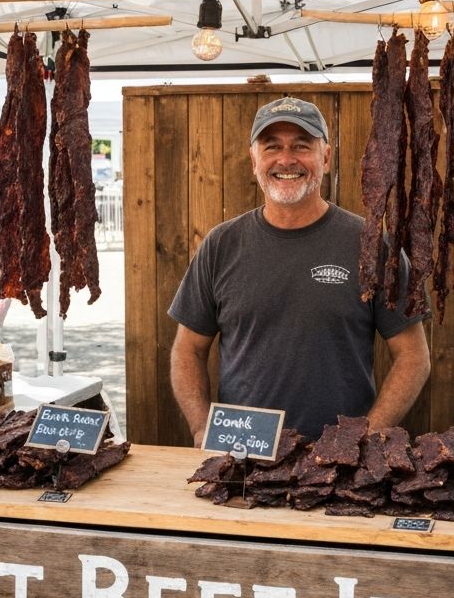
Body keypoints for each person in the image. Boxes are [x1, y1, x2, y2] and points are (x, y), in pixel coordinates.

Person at [169, 96, 431, 445]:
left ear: (326, 157)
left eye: (301, 146)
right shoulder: (221, 245)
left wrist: (366, 437)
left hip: (339, 457)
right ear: (254, 160)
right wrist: (201, 427)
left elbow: (414, 357)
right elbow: (188, 349)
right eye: (272, 146)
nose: (286, 159)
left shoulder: (371, 245)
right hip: (243, 451)